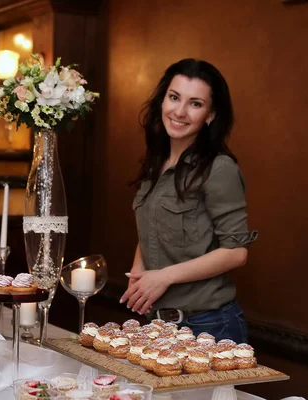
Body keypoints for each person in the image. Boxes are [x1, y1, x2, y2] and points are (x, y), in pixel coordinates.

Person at [119, 59, 257, 344]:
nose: (179, 112)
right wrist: (140, 277)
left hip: (209, 326)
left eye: (195, 104)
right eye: (174, 97)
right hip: (157, 324)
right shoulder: (156, 162)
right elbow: (151, 227)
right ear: (162, 100)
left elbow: (236, 252)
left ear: (210, 114)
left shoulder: (219, 169)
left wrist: (164, 277)